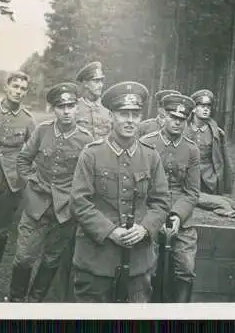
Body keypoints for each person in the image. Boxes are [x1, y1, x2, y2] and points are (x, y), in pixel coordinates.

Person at [70, 81, 171, 303]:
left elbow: (162, 201)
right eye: (123, 113)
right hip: (97, 261)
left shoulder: (151, 156)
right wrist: (110, 231)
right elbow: (79, 201)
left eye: (135, 114)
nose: (130, 120)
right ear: (112, 116)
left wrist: (145, 228)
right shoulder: (92, 154)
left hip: (138, 263)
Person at [8, 82, 94, 302]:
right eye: (60, 106)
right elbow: (23, 160)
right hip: (36, 205)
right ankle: (16, 301)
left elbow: (90, 176)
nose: (66, 111)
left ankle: (35, 301)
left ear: (77, 108)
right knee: (24, 257)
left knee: (51, 259)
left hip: (65, 210)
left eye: (70, 105)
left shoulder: (86, 139)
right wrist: (30, 185)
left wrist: (76, 197)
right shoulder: (43, 130)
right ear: (53, 109)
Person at [0, 71, 36, 289]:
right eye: (15, 86)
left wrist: (25, 178)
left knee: (0, 232)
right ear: (6, 87)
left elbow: (32, 153)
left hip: (10, 185)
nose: (18, 91)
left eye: (22, 88)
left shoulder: (29, 121)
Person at [140, 94, 200, 302]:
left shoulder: (191, 149)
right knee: (147, 267)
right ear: (163, 116)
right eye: (173, 117)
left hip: (179, 215)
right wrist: (155, 218)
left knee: (186, 267)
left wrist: (176, 216)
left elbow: (192, 191)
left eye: (182, 119)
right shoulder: (147, 143)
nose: (177, 122)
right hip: (149, 211)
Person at [184, 89, 234, 195]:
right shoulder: (183, 129)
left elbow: (224, 161)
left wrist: (226, 186)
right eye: (202, 106)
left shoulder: (216, 133)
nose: (206, 109)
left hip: (209, 181)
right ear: (193, 109)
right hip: (186, 179)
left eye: (208, 107)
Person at [75, 61, 111, 140]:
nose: (100, 85)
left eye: (101, 81)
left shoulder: (108, 107)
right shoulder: (75, 107)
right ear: (85, 83)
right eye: (96, 81)